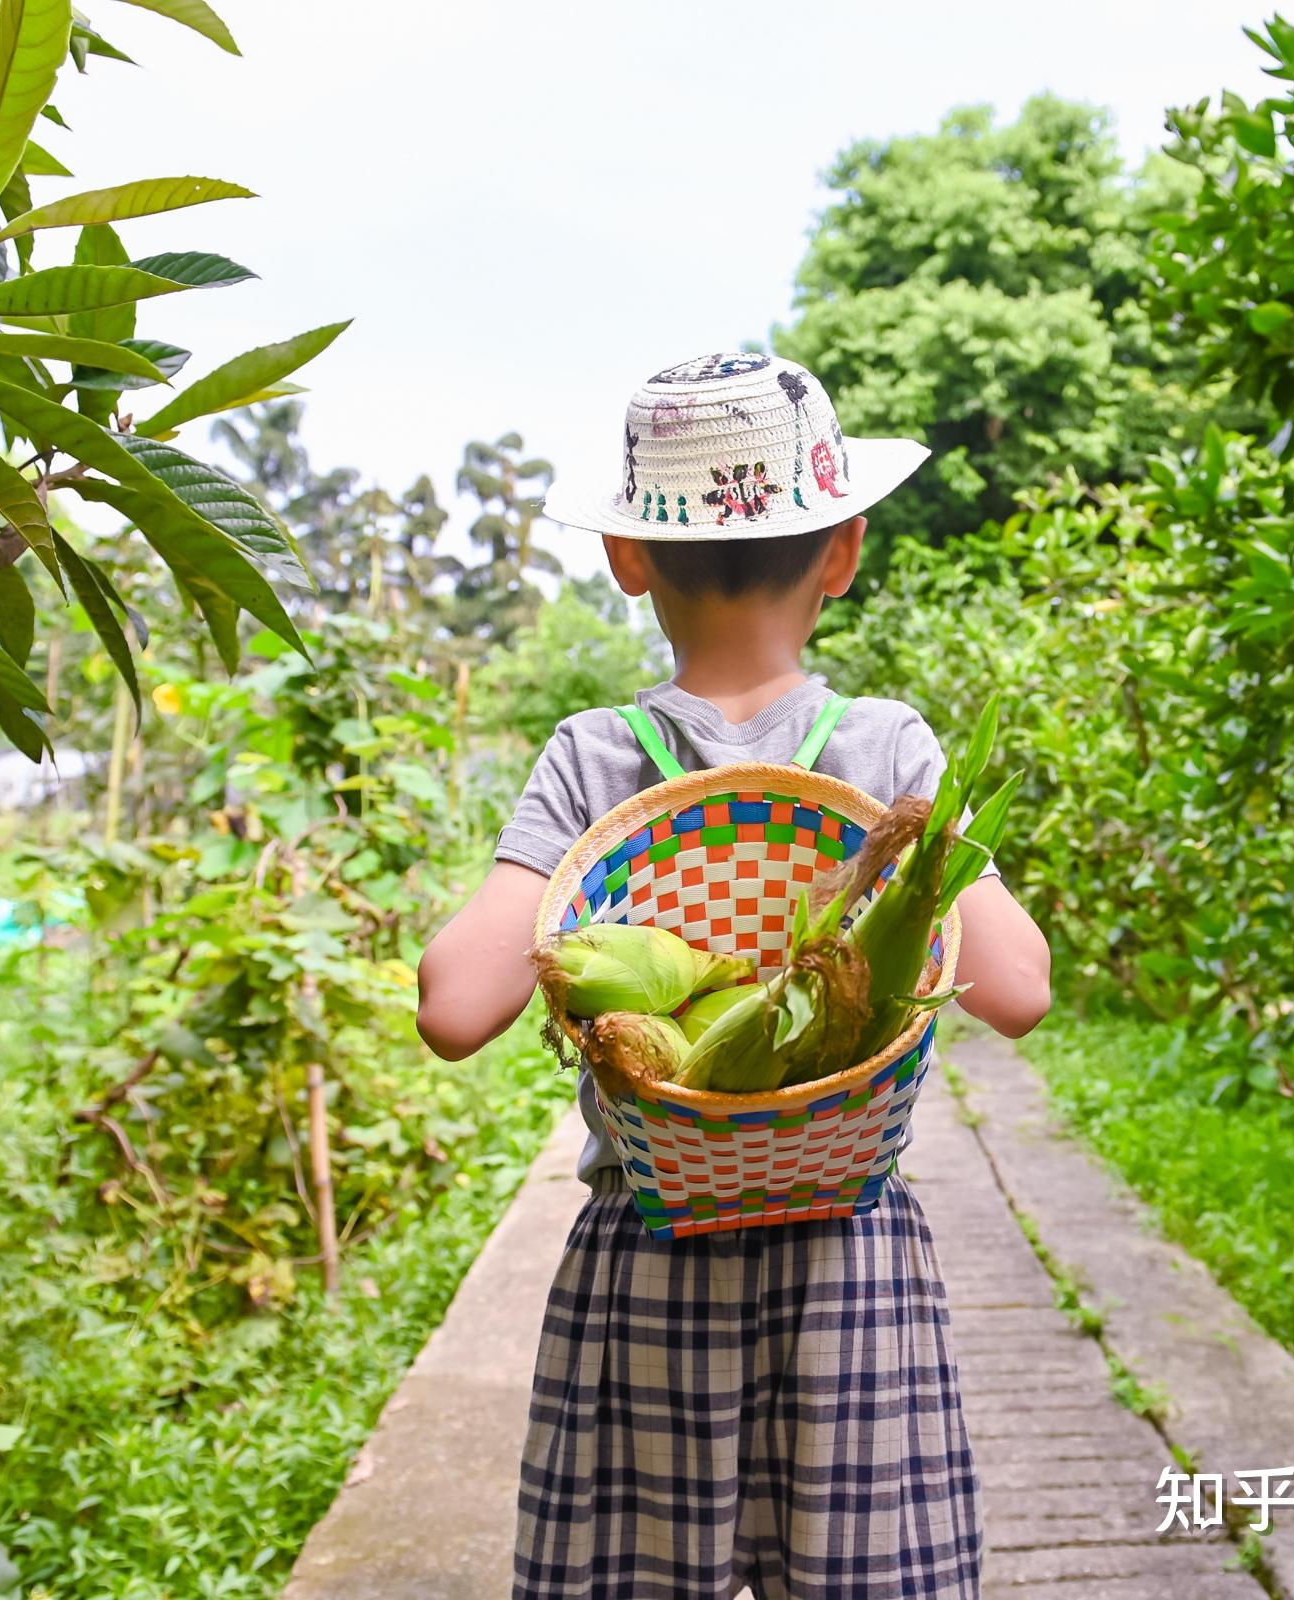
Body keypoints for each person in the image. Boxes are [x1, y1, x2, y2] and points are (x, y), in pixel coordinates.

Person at [415, 350, 1052, 1600]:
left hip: (648, 1263)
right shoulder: (881, 747)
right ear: (843, 552)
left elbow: (453, 1006)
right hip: (848, 1270)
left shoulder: (597, 756)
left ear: (626, 558)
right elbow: (1019, 986)